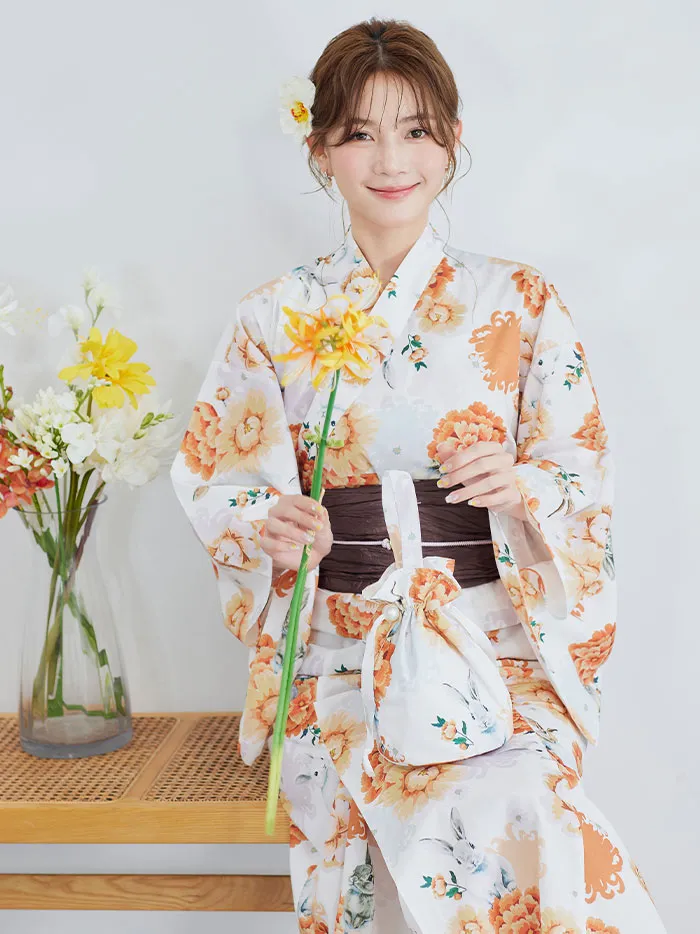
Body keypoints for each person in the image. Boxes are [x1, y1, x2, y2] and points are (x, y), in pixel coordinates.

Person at [169, 16, 669, 934]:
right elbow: (220, 479)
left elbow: (581, 470)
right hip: (342, 652)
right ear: (320, 148)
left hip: (493, 649)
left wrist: (523, 487)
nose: (392, 159)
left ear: (452, 141)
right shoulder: (275, 316)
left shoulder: (520, 302)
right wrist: (275, 524)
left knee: (522, 807)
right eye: (360, 132)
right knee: (385, 834)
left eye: (416, 130)